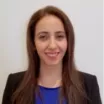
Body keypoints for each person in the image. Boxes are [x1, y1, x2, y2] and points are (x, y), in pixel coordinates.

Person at [2, 5, 102, 104]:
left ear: (68, 41)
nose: (52, 45)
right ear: (33, 43)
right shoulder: (14, 83)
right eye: (43, 37)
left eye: (59, 36)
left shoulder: (88, 84)